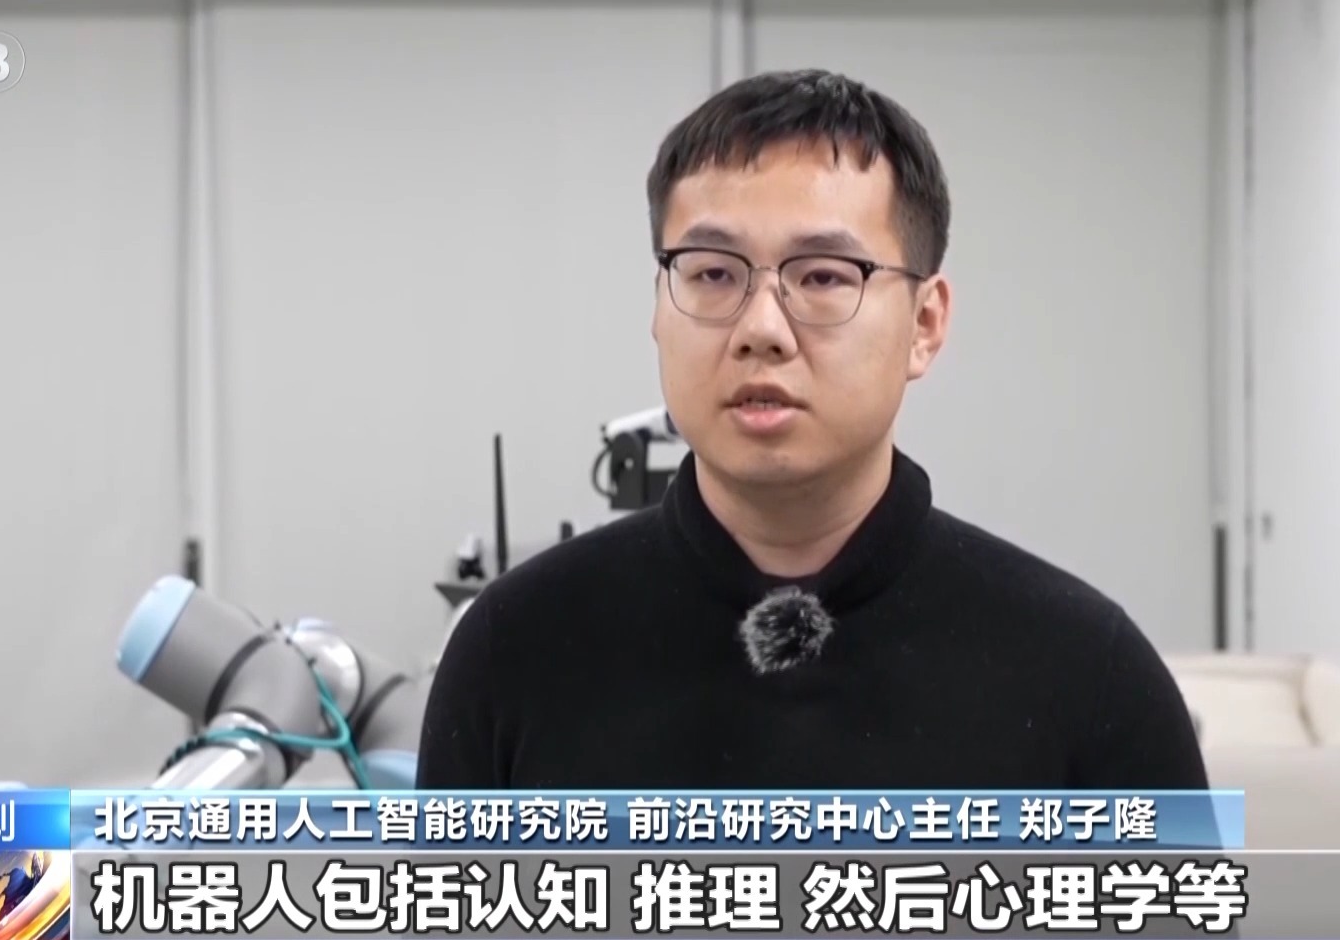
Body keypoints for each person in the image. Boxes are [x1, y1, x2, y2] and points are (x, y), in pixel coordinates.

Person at [416, 69, 1207, 791]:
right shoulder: (513, 653)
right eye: (713, 272)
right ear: (658, 307)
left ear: (925, 324)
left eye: (824, 276)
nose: (762, 328)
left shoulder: (1088, 678)